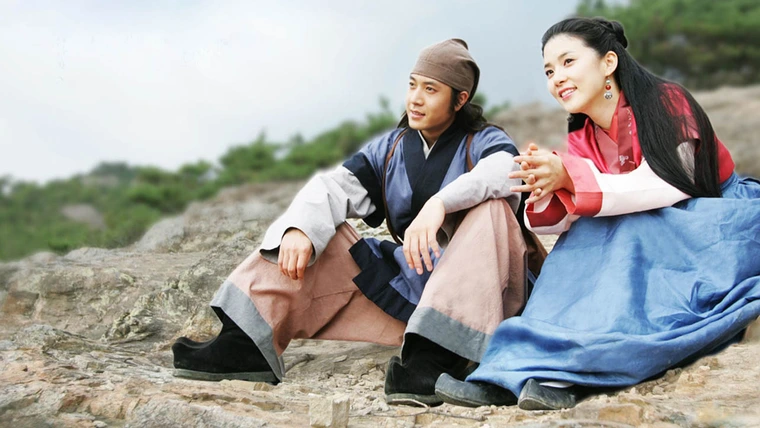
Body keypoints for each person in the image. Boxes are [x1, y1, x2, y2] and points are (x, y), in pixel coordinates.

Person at [172, 38, 543, 407]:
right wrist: (301, 229)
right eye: (412, 85)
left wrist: (439, 204)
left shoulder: (485, 141)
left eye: (430, 90)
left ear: (459, 100)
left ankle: (435, 360)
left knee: (492, 208)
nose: (415, 99)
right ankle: (245, 344)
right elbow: (335, 186)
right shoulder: (392, 148)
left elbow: (505, 171)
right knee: (318, 229)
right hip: (417, 288)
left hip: (484, 300)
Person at [434, 17, 760, 411]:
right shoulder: (582, 135)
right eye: (549, 71)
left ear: (608, 62)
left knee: (627, 235)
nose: (557, 78)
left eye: (568, 62)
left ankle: (568, 373)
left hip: (711, 221)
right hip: (646, 224)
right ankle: (510, 369)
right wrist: (546, 185)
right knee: (578, 242)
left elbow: (673, 182)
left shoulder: (666, 101)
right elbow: (570, 213)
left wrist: (571, 178)